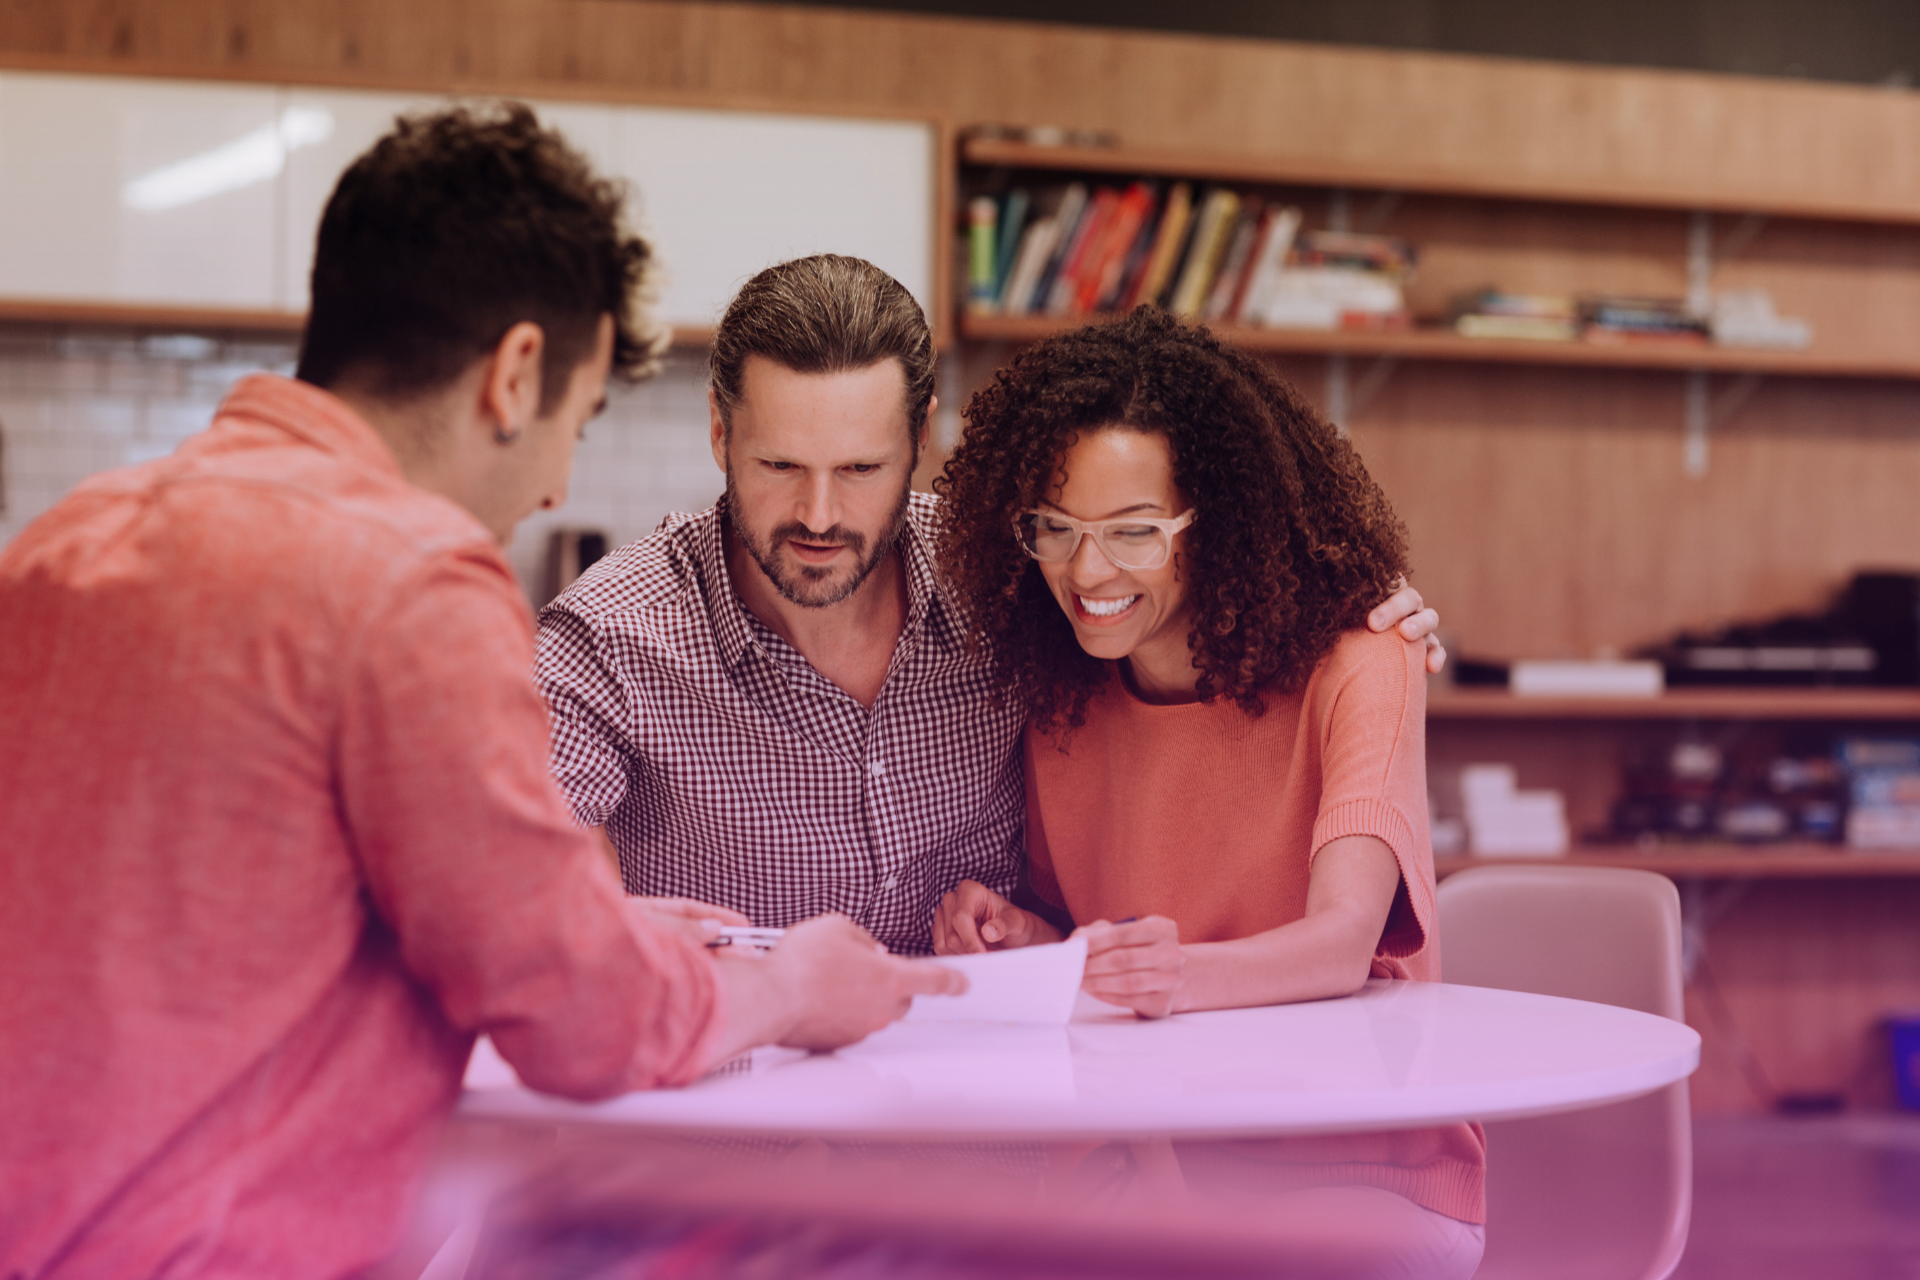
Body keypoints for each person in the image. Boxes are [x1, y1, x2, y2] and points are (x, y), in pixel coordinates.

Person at [0, 106, 958, 1280]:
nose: (558, 481)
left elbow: (202, 908)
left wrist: (555, 905)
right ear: (515, 374)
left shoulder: (62, 539)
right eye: (581, 413)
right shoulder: (410, 576)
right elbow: (581, 1017)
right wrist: (793, 983)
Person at [537, 255, 1444, 953]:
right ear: (719, 432)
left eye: (859, 469)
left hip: (998, 1139)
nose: (819, 515)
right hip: (746, 1143)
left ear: (919, 436)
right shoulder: (610, 639)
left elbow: (1155, 575)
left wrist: (1355, 607)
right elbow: (536, 920)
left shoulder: (1009, 570)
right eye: (780, 467)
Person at [929, 308, 1485, 1278]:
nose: (1087, 570)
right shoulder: (1062, 694)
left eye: (1135, 532)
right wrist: (1033, 946)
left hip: (1356, 1168)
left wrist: (1171, 972)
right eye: (1054, 528)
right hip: (1140, 1161)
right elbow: (1103, 950)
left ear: (1223, 520)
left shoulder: (1364, 661)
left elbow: (1341, 938)